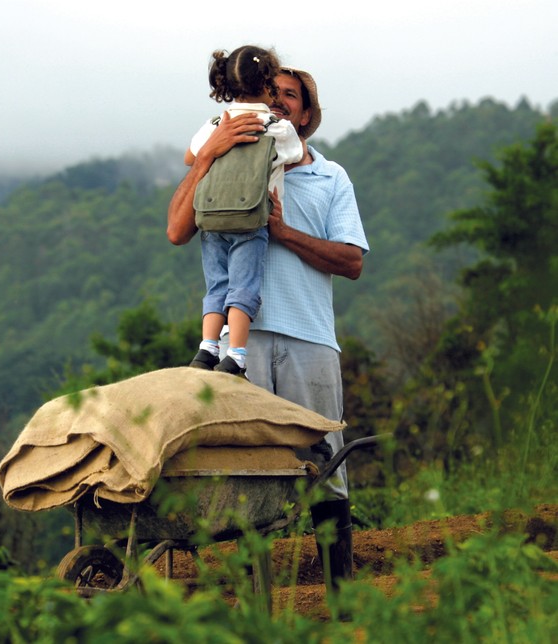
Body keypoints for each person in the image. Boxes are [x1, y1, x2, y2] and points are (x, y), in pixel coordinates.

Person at [167, 66, 369, 593]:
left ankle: (340, 600)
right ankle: (255, 600)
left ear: (305, 115)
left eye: (289, 96)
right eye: (269, 92)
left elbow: (351, 261)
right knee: (245, 469)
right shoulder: (225, 158)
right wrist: (209, 153)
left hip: (310, 339)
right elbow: (176, 231)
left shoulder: (331, 177)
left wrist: (281, 232)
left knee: (326, 466)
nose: (277, 101)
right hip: (241, 346)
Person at [185, 46, 303, 378]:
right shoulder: (277, 128)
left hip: (211, 218)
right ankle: (236, 354)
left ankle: (208, 347)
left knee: (217, 286)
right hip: (250, 218)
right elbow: (295, 155)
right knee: (243, 287)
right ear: (268, 84)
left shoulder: (213, 125)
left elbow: (190, 157)